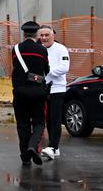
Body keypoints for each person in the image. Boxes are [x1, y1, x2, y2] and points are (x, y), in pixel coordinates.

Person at [12, 21, 50, 167]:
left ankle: (25, 157)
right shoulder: (42, 50)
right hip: (37, 92)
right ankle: (33, 146)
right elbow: (46, 69)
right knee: (39, 122)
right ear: (36, 34)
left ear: (24, 33)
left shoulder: (15, 49)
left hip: (20, 91)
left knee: (22, 124)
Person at [39, 25, 70, 160]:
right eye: (42, 35)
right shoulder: (39, 49)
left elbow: (64, 67)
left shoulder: (61, 49)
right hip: (42, 88)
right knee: (48, 119)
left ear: (53, 35)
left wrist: (48, 74)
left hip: (57, 88)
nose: (44, 38)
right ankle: (54, 148)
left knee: (55, 119)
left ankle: (52, 146)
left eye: (47, 35)